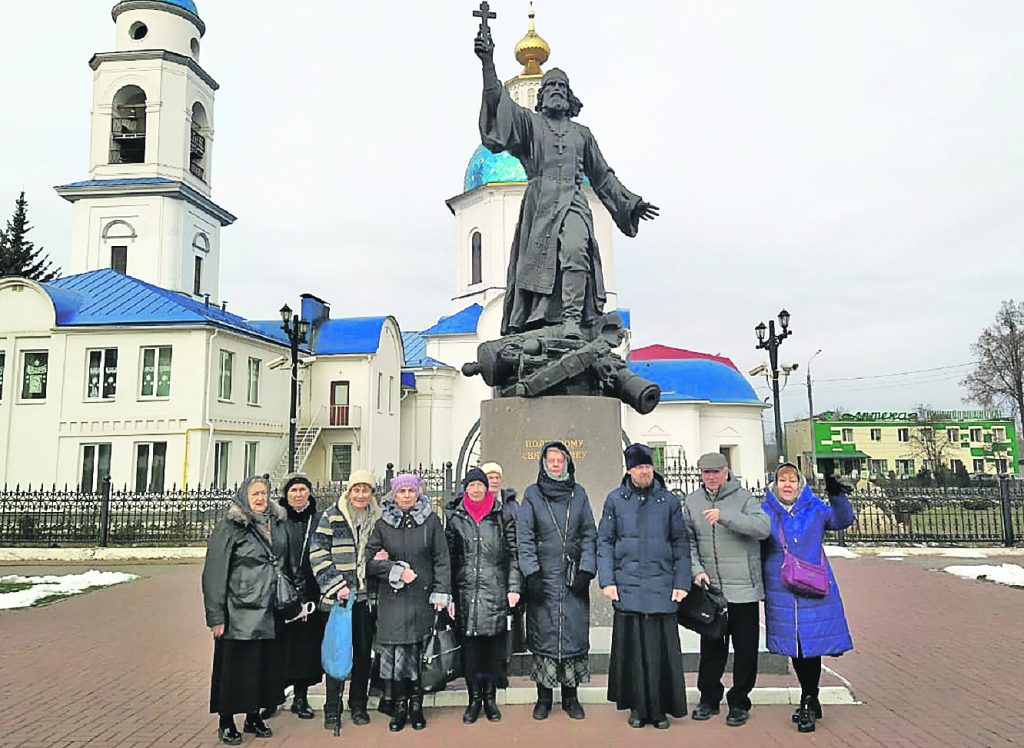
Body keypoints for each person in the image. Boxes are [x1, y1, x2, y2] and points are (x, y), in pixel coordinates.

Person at [474, 28, 658, 338]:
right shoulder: (530, 124)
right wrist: (488, 63)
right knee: (540, 266)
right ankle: (538, 321)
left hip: (573, 200)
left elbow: (602, 175)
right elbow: (499, 108)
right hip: (541, 203)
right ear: (541, 95)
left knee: (576, 251)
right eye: (551, 86)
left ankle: (573, 319)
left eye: (562, 86)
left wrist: (631, 202)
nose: (556, 90)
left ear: (569, 95)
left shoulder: (581, 134)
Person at [598, 444, 691, 729]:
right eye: (639, 467)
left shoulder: (669, 501)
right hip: (628, 585)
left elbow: (681, 544)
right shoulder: (615, 500)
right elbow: (605, 542)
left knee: (661, 651)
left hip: (661, 585)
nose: (644, 472)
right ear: (629, 470)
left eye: (648, 467)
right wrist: (607, 580)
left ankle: (661, 708)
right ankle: (637, 707)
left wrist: (682, 582)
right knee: (633, 652)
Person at [762, 466, 855, 733]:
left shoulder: (814, 508)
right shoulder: (765, 511)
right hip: (781, 588)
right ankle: (811, 697)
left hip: (812, 585)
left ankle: (808, 699)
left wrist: (837, 495)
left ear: (800, 484)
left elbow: (842, 519)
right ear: (775, 484)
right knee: (795, 645)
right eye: (782, 480)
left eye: (792, 480)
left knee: (809, 645)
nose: (787, 485)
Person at [202, 476, 292, 745]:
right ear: (244, 496)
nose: (261, 498)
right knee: (234, 668)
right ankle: (226, 720)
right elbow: (215, 573)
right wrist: (216, 616)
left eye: (264, 493)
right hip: (238, 610)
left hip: (268, 608)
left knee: (262, 667)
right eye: (255, 494)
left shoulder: (276, 522)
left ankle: (254, 716)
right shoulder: (231, 526)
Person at [683, 453, 770, 728]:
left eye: (716, 472)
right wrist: (697, 570)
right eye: (706, 472)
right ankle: (709, 698)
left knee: (745, 649)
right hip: (712, 591)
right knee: (711, 648)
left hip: (743, 589)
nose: (710, 477)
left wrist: (725, 517)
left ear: (726, 471)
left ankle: (739, 702)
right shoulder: (692, 502)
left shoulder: (744, 498)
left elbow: (762, 528)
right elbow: (688, 542)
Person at [517, 441, 597, 720]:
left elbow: (589, 533)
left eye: (559, 460)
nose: (555, 464)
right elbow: (524, 537)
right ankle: (543, 698)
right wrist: (532, 574)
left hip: (572, 576)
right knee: (545, 636)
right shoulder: (532, 494)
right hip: (544, 577)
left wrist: (587, 569)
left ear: (566, 463)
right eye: (550, 460)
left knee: (572, 635)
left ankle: (571, 697)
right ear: (543, 463)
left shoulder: (579, 493)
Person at [366, 473, 452, 732]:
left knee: (417, 655)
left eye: (410, 491)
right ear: (394, 494)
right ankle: (399, 706)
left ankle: (417, 706)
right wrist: (393, 569)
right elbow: (369, 562)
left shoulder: (431, 521)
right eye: (401, 491)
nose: (406, 496)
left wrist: (441, 592)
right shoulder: (382, 524)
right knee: (397, 657)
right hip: (392, 601)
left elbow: (442, 559)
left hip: (421, 598)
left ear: (418, 493)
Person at [446, 466, 522, 724]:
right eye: (472, 486)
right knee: (472, 653)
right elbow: (450, 560)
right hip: (466, 594)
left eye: (480, 485)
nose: (477, 489)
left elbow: (514, 554)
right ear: (465, 489)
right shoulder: (455, 518)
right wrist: (449, 596)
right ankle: (474, 699)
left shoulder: (501, 516)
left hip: (495, 593)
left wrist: (513, 587)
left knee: (492, 652)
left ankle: (490, 699)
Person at [310, 468, 382, 732]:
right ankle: (332, 708)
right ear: (349, 491)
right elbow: (318, 554)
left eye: (366, 490)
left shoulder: (378, 519)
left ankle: (358, 704)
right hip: (339, 600)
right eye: (356, 489)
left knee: (363, 653)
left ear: (371, 493)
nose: (361, 495)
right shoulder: (331, 517)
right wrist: (336, 586)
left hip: (365, 599)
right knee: (338, 652)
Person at [273, 473, 326, 722]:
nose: (298, 494)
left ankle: (301, 698)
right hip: (281, 591)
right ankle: (273, 696)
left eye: (302, 490)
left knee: (306, 649)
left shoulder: (318, 519)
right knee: (280, 646)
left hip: (311, 592)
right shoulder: (276, 520)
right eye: (293, 490)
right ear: (286, 494)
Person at [482, 461, 528, 656]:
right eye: (490, 477)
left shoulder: (511, 504)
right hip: (489, 560)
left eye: (496, 477)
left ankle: (517, 644)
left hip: (510, 557)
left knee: (515, 603)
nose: (494, 481)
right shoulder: (478, 504)